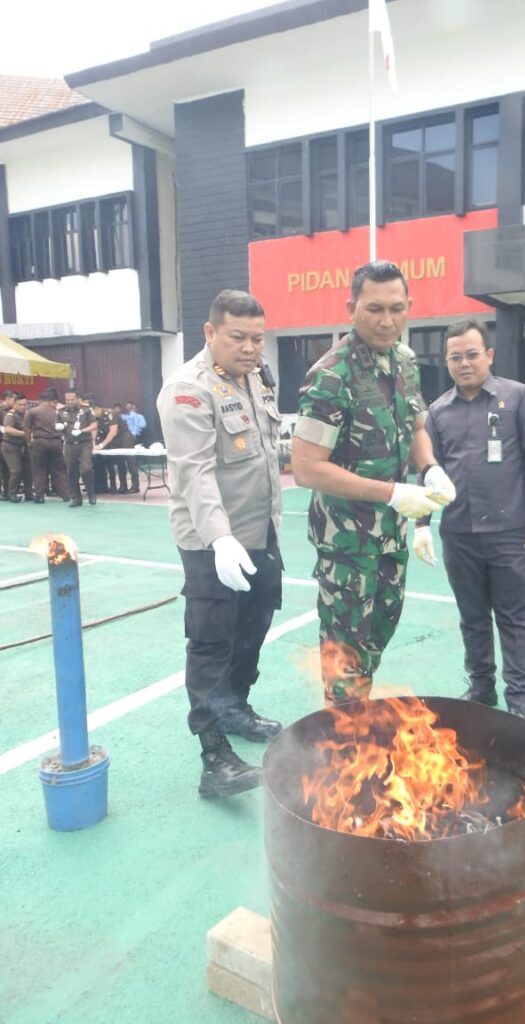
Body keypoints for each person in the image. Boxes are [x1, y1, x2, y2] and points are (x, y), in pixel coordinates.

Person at [291, 260, 455, 704]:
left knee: (380, 631)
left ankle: (355, 714)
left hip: (390, 532)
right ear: (352, 309)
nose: (387, 321)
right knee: (345, 648)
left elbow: (416, 427)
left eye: (396, 309)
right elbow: (306, 468)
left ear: (409, 307)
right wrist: (393, 492)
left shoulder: (405, 361)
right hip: (346, 541)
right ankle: (343, 732)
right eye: (375, 309)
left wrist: (429, 467)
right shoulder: (330, 375)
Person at [157, 289, 283, 799]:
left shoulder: (257, 377)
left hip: (260, 532)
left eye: (258, 338)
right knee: (211, 641)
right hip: (211, 541)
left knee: (254, 625)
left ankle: (236, 708)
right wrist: (221, 539)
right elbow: (195, 473)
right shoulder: (188, 390)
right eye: (238, 338)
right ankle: (214, 757)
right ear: (210, 333)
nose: (251, 348)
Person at [413, 319, 525, 720]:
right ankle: (481, 687)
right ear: (446, 361)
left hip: (509, 531)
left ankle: (519, 701)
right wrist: (422, 524)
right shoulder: (438, 412)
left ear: (489, 355)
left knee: (514, 616)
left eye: (472, 354)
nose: (464, 363)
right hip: (459, 533)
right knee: (472, 617)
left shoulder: (517, 397)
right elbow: (429, 470)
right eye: (455, 357)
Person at [22, 388, 70, 503]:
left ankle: (40, 496)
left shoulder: (32, 411)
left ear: (40, 400)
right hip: (56, 442)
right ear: (51, 401)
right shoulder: (57, 411)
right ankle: (65, 495)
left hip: (40, 441)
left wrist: (29, 442)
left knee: (39, 470)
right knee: (59, 470)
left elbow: (27, 429)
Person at [59, 389, 98, 507]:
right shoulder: (60, 411)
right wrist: (59, 427)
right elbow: (57, 424)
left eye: (72, 399)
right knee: (71, 471)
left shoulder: (86, 410)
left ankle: (91, 494)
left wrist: (82, 431)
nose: (69, 402)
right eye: (67, 400)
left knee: (86, 468)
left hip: (84, 443)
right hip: (69, 444)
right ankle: (76, 498)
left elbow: (94, 425)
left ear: (78, 399)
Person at [94, 403, 138, 493]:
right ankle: (123, 486)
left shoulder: (111, 413)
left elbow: (113, 431)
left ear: (97, 408)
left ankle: (135, 486)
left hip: (124, 437)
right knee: (119, 462)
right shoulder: (97, 418)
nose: (92, 415)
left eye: (92, 412)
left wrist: (102, 445)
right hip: (114, 440)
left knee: (130, 461)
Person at [1, 395, 33, 502]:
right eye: (20, 404)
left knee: (28, 470)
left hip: (23, 446)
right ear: (14, 405)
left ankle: (29, 494)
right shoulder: (10, 415)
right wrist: (24, 434)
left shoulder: (27, 414)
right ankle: (11, 494)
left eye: (25, 404)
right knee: (16, 470)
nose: (23, 406)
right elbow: (8, 429)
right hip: (10, 446)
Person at [0, 389, 17, 500]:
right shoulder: (1, 410)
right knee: (2, 469)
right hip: (1, 441)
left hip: (8, 442)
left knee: (7, 469)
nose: (15, 402)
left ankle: (6, 492)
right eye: (14, 399)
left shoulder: (12, 411)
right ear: (7, 398)